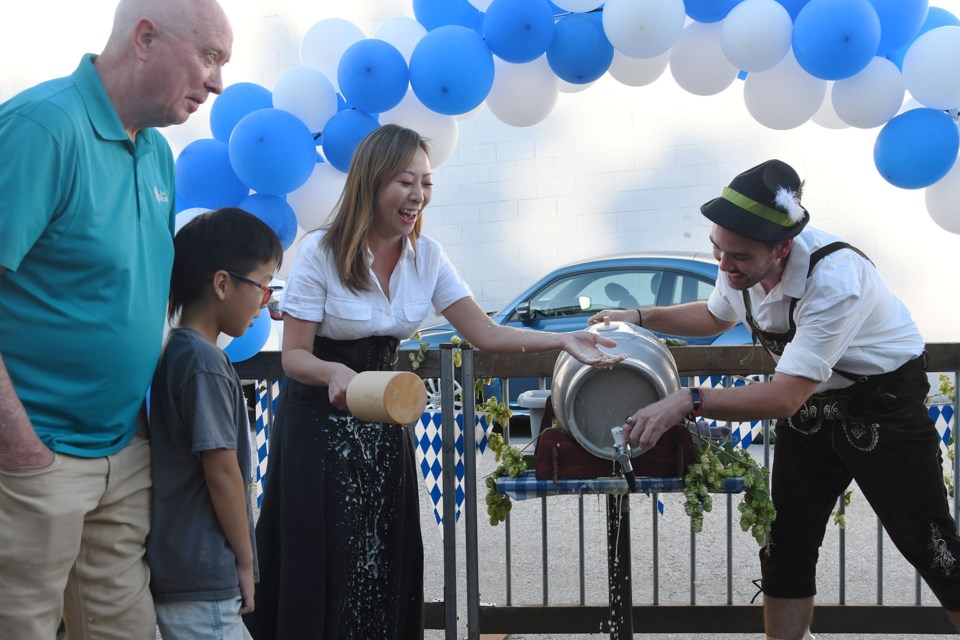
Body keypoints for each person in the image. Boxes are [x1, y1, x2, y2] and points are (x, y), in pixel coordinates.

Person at [246, 123, 624, 639]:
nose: (418, 196)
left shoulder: (429, 257)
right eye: (406, 181)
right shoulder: (321, 251)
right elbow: (294, 358)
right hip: (319, 427)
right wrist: (334, 371)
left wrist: (563, 342)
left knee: (384, 554)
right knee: (326, 556)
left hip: (385, 422)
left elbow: (486, 333)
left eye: (426, 183)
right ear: (372, 182)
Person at [589, 159, 960, 640]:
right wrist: (639, 316)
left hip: (881, 404)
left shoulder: (836, 278)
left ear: (782, 246)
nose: (723, 265)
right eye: (716, 249)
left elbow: (785, 396)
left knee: (931, 546)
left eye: (737, 256)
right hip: (813, 408)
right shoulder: (741, 256)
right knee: (784, 545)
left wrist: (688, 400)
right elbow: (714, 315)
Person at [0, 1, 232, 638]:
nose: (218, 82)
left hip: (121, 457)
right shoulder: (41, 128)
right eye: (209, 57)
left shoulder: (156, 154)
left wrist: (133, 432)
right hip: (31, 460)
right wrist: (19, 448)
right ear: (146, 37)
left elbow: (133, 300)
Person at [148, 208, 282, 639]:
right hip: (203, 579)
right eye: (263, 288)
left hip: (186, 576)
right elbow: (221, 470)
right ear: (223, 283)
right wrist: (245, 561)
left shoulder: (183, 351)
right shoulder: (202, 361)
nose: (266, 304)